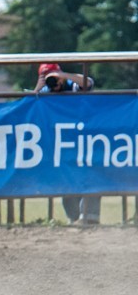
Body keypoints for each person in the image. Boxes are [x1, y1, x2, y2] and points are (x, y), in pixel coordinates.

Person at [34, 63, 100, 225]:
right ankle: (74, 218)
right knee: (65, 177)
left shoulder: (72, 85)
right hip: (61, 143)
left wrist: (62, 75)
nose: (53, 83)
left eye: (54, 78)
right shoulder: (45, 91)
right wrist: (39, 87)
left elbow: (88, 83)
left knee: (92, 174)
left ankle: (90, 217)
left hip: (85, 139)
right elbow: (29, 106)